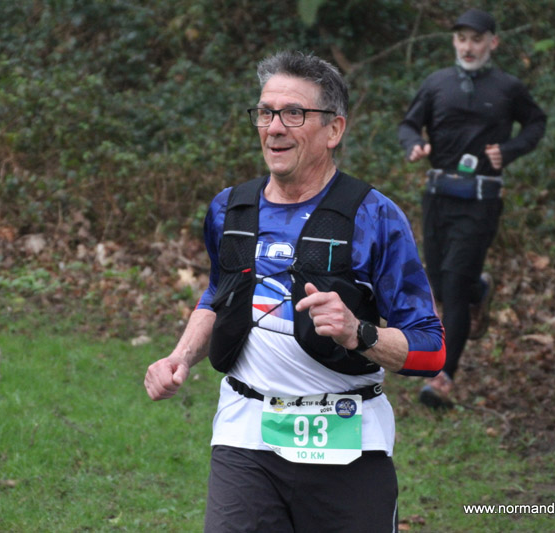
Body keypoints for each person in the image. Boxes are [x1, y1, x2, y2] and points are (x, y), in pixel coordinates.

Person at [145, 50, 445, 533]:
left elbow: (432, 349)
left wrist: (359, 332)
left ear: (334, 129)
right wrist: (179, 357)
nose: (275, 128)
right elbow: (220, 295)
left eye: (294, 114)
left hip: (348, 440)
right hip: (246, 437)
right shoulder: (230, 209)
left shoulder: (375, 216)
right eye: (266, 113)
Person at [398, 8, 546, 408]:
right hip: (438, 197)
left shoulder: (508, 87)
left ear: (492, 43)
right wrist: (414, 144)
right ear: (454, 41)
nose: (468, 47)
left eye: (477, 40)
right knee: (440, 286)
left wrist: (509, 151)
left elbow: (536, 123)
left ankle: (442, 378)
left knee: (454, 287)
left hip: (481, 201)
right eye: (462, 39)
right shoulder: (436, 83)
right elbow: (408, 124)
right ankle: (478, 288)